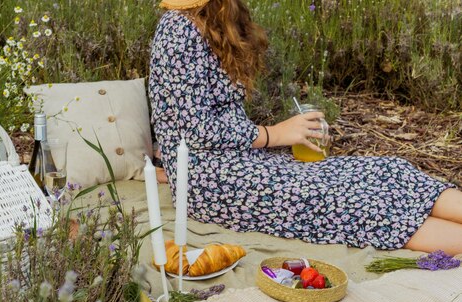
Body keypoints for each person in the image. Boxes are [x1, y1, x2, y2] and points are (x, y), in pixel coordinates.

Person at [148, 0, 462, 255]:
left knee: (387, 171)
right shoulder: (178, 30)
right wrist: (275, 134)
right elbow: (195, 129)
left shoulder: (213, 21)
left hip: (242, 160)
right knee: (350, 200)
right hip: (211, 181)